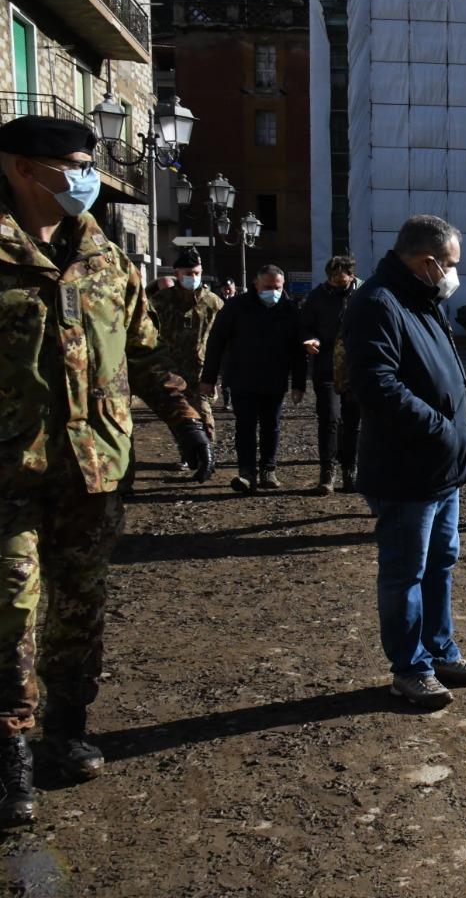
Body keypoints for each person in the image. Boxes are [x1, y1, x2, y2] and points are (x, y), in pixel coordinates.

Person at [0, 115, 212, 828]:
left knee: (80, 607)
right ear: (23, 168)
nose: (86, 177)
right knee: (10, 610)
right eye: (74, 165)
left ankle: (66, 731)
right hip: (8, 473)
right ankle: (10, 755)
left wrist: (183, 418)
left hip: (94, 471)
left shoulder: (106, 258)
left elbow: (144, 351)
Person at [342, 215, 466, 709]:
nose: (454, 274)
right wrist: (441, 429)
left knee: (440, 563)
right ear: (427, 262)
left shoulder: (420, 299)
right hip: (406, 468)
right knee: (405, 570)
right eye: (451, 264)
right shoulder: (378, 303)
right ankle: (410, 669)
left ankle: (440, 651)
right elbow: (376, 385)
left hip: (440, 470)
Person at [200, 265, 306, 493]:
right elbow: (216, 341)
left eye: (278, 287)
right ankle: (247, 472)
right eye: (268, 287)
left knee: (271, 425)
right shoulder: (236, 307)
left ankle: (268, 469)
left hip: (274, 378)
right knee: (245, 426)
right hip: (243, 377)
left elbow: (298, 350)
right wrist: (208, 378)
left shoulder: (290, 310)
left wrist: (298, 384)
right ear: (256, 284)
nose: (273, 292)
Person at [150, 248, 224, 468]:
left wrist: (218, 370)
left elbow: (224, 337)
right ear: (177, 274)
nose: (194, 277)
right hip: (170, 370)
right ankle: (187, 453)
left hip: (200, 371)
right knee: (179, 416)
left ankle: (207, 455)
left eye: (197, 273)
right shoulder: (161, 301)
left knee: (204, 415)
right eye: (188, 273)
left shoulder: (212, 303)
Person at [301, 254, 362, 495]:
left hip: (355, 368)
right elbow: (305, 325)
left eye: (341, 278)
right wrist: (309, 339)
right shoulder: (317, 296)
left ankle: (350, 469)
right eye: (332, 277)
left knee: (353, 422)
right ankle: (327, 471)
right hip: (326, 366)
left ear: (351, 275)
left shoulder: (363, 294)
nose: (336, 281)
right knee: (329, 418)